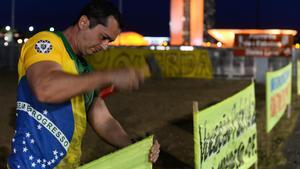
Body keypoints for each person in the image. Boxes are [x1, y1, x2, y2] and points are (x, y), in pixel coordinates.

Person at [7, 0, 160, 168]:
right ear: (83, 22)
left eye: (109, 42)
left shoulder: (85, 70)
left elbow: (104, 121)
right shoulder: (46, 42)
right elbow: (45, 88)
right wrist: (108, 76)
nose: (104, 46)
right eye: (103, 37)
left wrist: (135, 147)